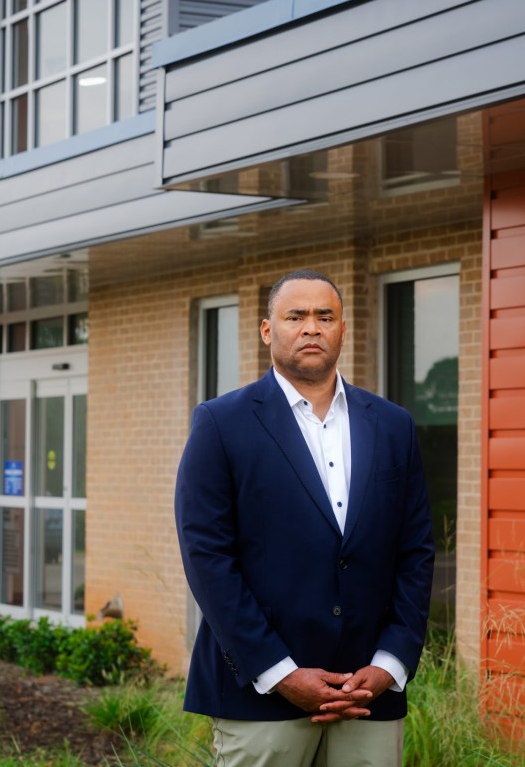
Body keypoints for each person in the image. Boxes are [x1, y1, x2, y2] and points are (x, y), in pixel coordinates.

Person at [175, 269, 435, 766]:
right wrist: (279, 673)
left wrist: (390, 663)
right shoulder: (220, 423)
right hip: (260, 693)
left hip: (368, 695)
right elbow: (208, 558)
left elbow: (416, 552)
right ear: (268, 330)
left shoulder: (393, 425)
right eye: (295, 316)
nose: (311, 327)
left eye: (325, 316)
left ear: (343, 329)